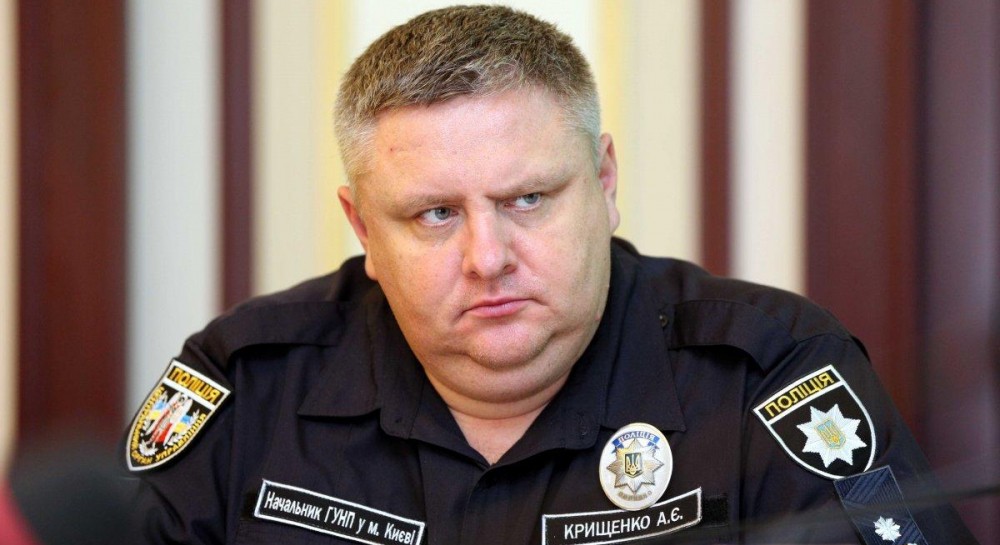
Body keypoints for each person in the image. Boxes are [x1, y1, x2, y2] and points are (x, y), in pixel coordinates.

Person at [123, 5, 978, 544]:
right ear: (362, 230)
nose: (487, 256)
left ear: (604, 183)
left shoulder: (770, 374)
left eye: (528, 198)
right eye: (435, 213)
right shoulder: (248, 386)